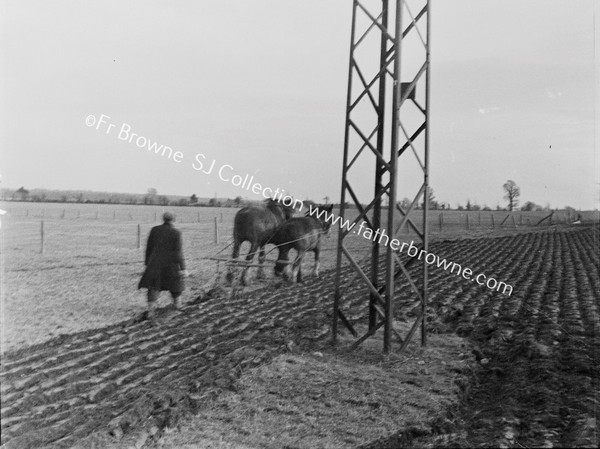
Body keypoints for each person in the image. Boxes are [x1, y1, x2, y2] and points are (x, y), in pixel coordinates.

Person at [138, 212, 188, 318]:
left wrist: (147, 263)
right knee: (176, 287)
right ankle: (178, 307)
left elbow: (148, 248)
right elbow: (178, 252)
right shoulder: (176, 233)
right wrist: (183, 268)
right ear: (173, 220)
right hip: (171, 265)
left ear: (163, 219)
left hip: (155, 264)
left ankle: (151, 311)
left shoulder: (154, 230)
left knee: (154, 287)